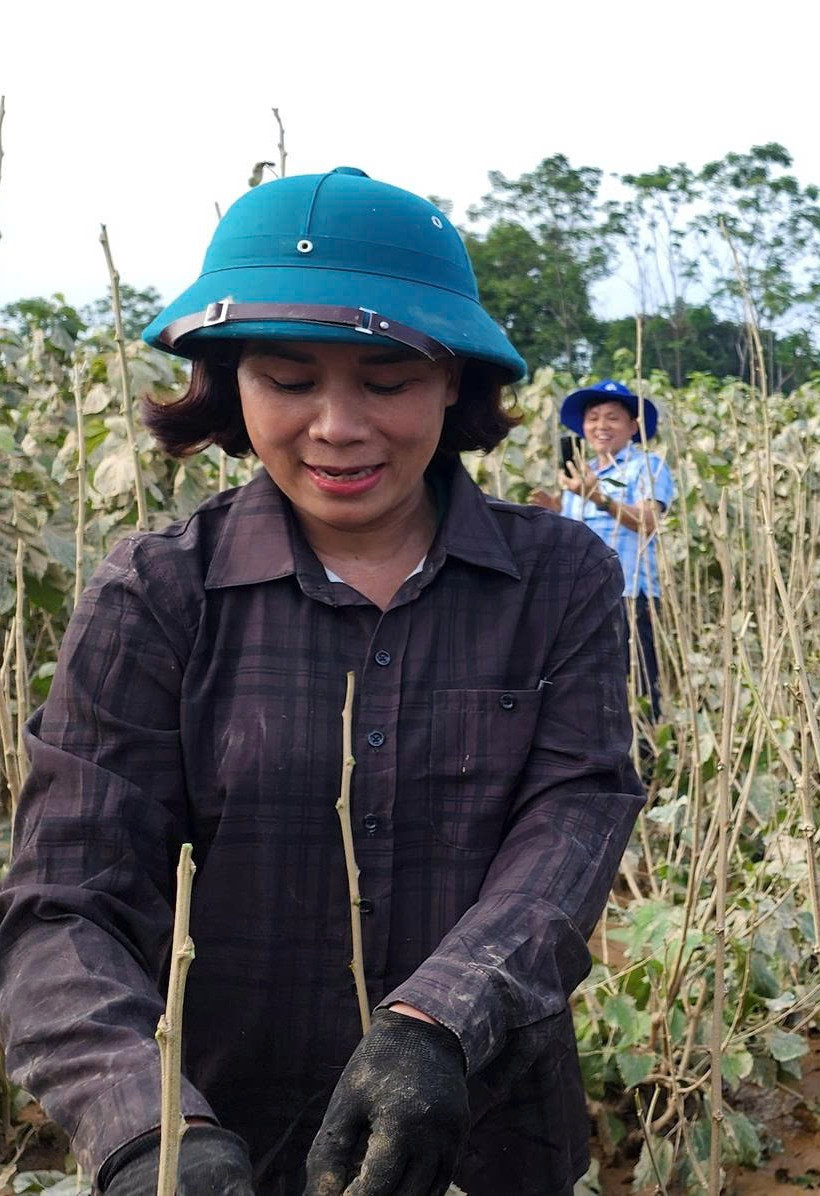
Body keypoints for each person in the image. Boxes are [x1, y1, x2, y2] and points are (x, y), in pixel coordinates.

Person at [0, 168, 645, 1196]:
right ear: (230, 382)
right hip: (229, 1137)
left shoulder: (559, 578)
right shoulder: (157, 594)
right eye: (289, 381)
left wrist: (438, 1021)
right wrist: (146, 1130)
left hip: (489, 1137)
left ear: (453, 381)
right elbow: (62, 906)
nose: (338, 426)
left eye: (386, 382)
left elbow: (574, 815)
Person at [530, 380, 673, 718]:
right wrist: (554, 511)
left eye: (612, 418)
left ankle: (645, 748)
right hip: (581, 596)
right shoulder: (585, 474)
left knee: (636, 686)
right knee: (585, 686)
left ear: (633, 427)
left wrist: (599, 498)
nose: (601, 426)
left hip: (629, 594)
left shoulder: (646, 466)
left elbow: (648, 521)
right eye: (593, 418)